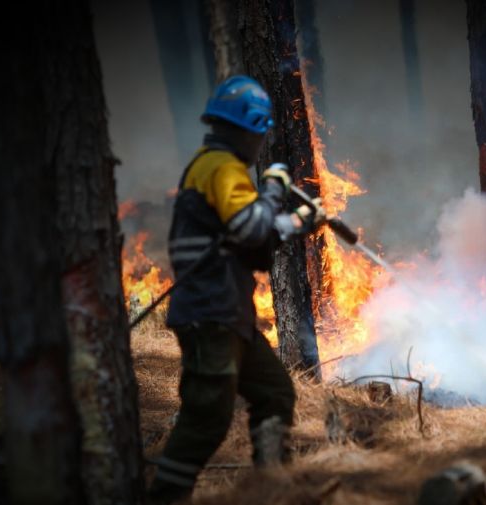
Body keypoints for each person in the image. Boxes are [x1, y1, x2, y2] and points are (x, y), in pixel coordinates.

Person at [148, 75, 324, 503]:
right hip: (210, 315)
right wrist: (275, 189)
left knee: (274, 392)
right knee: (207, 417)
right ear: (248, 129)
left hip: (229, 315)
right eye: (261, 134)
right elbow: (252, 228)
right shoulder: (222, 169)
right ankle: (165, 498)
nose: (261, 144)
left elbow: (253, 238)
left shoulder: (215, 167)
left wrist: (299, 222)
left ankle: (271, 489)